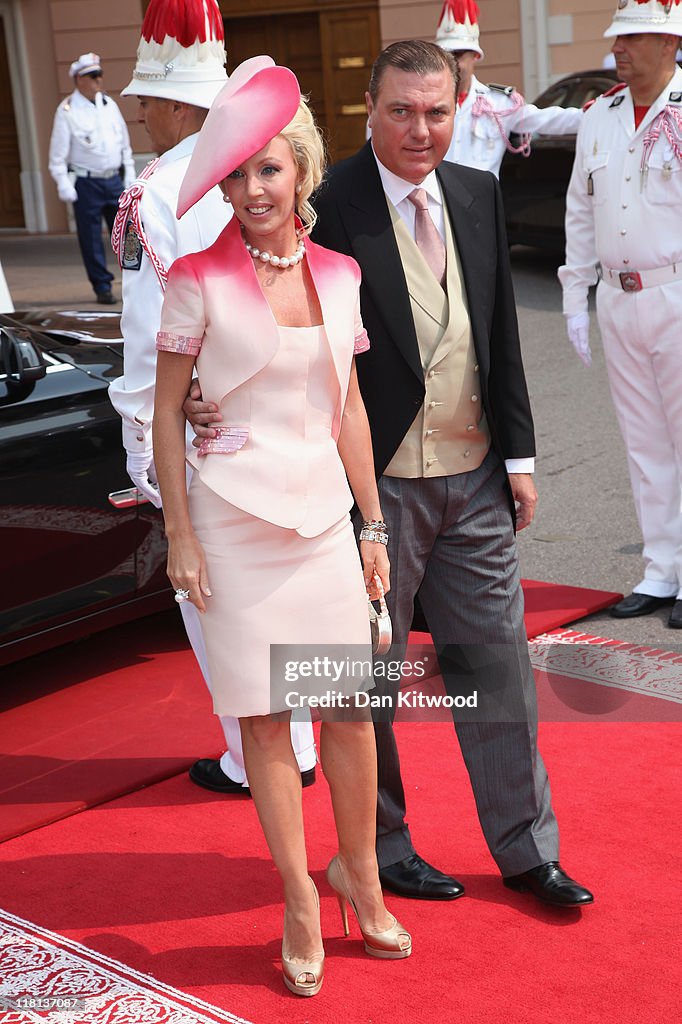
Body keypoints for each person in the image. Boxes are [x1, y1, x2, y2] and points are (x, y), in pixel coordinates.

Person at [189, 40, 594, 910]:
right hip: (371, 485)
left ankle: (527, 849)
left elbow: (497, 339)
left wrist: (518, 457)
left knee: (494, 668)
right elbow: (251, 302)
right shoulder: (325, 202)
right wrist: (198, 394)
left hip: (475, 472)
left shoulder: (479, 194)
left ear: (459, 110)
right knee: (363, 679)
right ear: (367, 109)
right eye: (402, 110)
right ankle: (380, 848)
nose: (421, 128)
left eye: (437, 111)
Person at [153, 56, 411, 996]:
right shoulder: (194, 279)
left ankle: (362, 879)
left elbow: (347, 408)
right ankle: (301, 899)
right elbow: (166, 413)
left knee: (348, 716)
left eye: (269, 168)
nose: (253, 189)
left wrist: (374, 526)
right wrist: (179, 533)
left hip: (322, 522)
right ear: (220, 185)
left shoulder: (340, 275)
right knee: (265, 725)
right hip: (230, 525)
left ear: (299, 167)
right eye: (235, 174)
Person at [109, 0, 317, 793]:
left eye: (147, 102)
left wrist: (142, 450)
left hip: (195, 422)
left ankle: (252, 758)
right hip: (277, 406)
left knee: (215, 600)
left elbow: (144, 338)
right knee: (281, 581)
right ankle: (298, 740)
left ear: (173, 104)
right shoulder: (272, 161)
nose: (141, 115)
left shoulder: (155, 190)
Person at [559, 0, 682, 630]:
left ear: (669, 42)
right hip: (619, 298)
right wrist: (574, 297)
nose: (619, 50)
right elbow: (581, 211)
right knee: (644, 443)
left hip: (676, 293)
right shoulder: (600, 118)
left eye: (632, 38)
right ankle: (661, 569)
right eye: (618, 39)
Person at [435, 1, 583, 176]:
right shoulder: (428, 102)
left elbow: (549, 120)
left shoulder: (498, 104)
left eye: (458, 55)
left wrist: (597, 113)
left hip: (481, 201)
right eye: (446, 55)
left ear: (475, 56)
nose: (451, 62)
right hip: (439, 199)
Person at [49, 53, 134, 304]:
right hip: (86, 183)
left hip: (114, 180)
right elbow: (57, 155)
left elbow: (125, 145)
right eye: (92, 76)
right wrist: (63, 182)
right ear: (78, 79)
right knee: (91, 238)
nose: (98, 80)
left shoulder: (109, 104)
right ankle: (102, 286)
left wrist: (129, 173)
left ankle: (133, 281)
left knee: (128, 234)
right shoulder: (67, 111)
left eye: (99, 75)